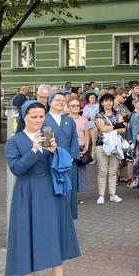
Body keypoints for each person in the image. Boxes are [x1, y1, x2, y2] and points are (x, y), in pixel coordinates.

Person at [5, 101, 81, 276]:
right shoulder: (15, 141)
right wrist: (36, 150)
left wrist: (54, 151)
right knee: (28, 236)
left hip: (51, 190)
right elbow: (17, 169)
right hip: (27, 193)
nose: (38, 120)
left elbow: (61, 164)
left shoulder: (49, 136)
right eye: (33, 116)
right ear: (24, 118)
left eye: (41, 116)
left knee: (54, 234)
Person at [46, 91, 80, 219]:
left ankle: (68, 221)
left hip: (68, 162)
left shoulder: (69, 121)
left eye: (62, 100)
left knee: (69, 192)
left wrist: (72, 156)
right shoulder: (44, 120)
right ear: (50, 102)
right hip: (51, 162)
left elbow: (74, 140)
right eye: (57, 100)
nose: (61, 102)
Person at [95, 93, 126, 204]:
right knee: (102, 170)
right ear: (102, 102)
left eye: (110, 100)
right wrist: (116, 126)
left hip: (115, 145)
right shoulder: (99, 115)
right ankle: (101, 195)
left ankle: (112, 194)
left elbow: (123, 129)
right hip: (101, 144)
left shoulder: (118, 114)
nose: (109, 103)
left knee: (113, 171)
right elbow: (102, 128)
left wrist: (112, 128)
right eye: (106, 100)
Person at [68, 97, 90, 201]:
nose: (76, 107)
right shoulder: (65, 120)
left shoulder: (84, 120)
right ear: (68, 108)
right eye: (73, 106)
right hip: (69, 149)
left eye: (78, 105)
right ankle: (70, 195)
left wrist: (86, 147)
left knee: (80, 173)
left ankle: (76, 196)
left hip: (81, 148)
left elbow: (86, 135)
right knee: (70, 172)